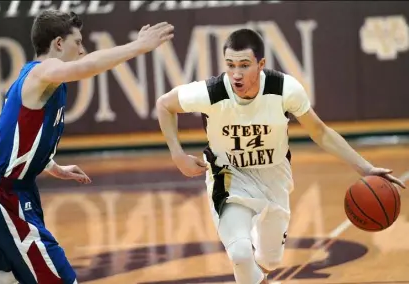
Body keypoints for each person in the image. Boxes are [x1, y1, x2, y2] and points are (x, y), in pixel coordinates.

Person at [155, 28, 405, 284]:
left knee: (270, 261)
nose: (236, 74)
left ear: (261, 64)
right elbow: (164, 104)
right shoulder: (211, 92)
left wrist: (364, 168)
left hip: (274, 177)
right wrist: (177, 155)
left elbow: (320, 132)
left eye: (244, 65)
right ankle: (242, 238)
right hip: (229, 176)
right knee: (240, 254)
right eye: (230, 65)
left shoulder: (284, 90)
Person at [0, 9, 174, 284]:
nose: (83, 51)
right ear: (59, 44)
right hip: (6, 194)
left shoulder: (40, 82)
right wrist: (137, 47)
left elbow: (14, 134)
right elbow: (86, 67)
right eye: (78, 42)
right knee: (61, 278)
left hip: (18, 188)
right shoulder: (44, 71)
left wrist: (50, 165)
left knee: (6, 277)